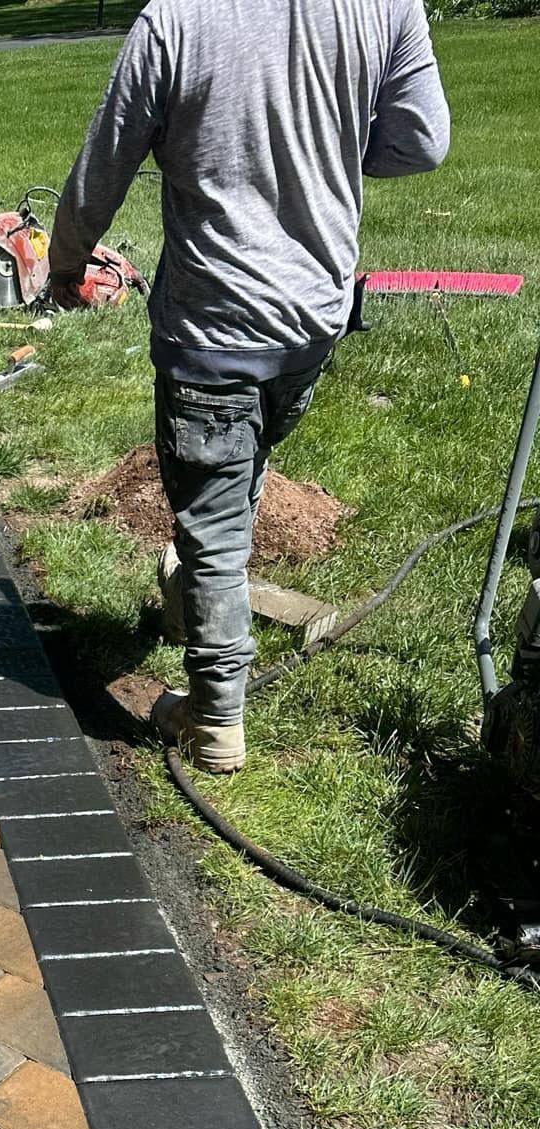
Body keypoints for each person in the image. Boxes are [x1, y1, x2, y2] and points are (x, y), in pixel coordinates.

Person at [48, 0, 450, 771]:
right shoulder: (387, 5)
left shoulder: (176, 20)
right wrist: (324, 142)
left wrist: (67, 262)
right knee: (236, 472)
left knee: (215, 528)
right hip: (310, 327)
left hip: (212, 331)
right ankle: (195, 598)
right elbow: (420, 140)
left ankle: (214, 718)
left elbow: (104, 164)